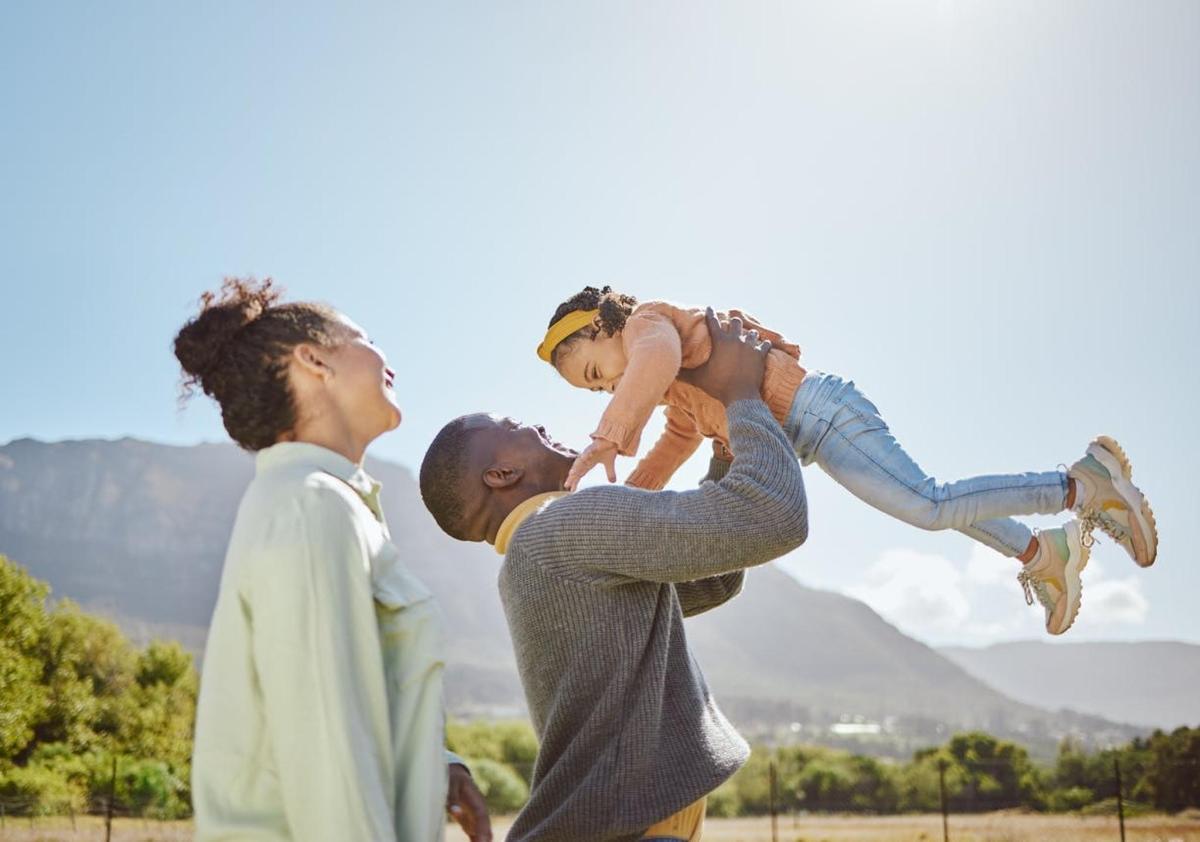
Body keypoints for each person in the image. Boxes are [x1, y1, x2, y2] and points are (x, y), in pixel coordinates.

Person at [535, 286, 1158, 635]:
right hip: (812, 434)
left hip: (822, 410)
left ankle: (1079, 486)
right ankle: (1042, 553)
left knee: (929, 503)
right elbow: (674, 444)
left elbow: (654, 357)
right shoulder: (674, 395)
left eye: (595, 372)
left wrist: (609, 436)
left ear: (605, 326)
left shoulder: (649, 324)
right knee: (924, 502)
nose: (604, 389)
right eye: (594, 390)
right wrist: (619, 503)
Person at [420, 310, 809, 842]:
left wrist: (723, 437)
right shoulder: (560, 527)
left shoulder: (536, 556)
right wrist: (739, 391)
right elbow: (774, 517)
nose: (536, 425)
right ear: (501, 474)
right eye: (516, 429)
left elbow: (715, 579)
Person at [174, 278, 490, 842]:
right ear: (314, 360)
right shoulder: (310, 507)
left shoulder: (330, 503)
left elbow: (353, 690)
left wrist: (434, 764)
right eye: (364, 338)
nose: (384, 354)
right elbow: (328, 750)